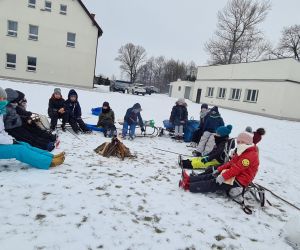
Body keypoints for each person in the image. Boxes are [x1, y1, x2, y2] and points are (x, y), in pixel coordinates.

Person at [0, 87, 65, 169]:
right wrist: (10, 141)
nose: (3, 100)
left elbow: (1, 131)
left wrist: (10, 139)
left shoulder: (1, 111)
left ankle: (50, 157)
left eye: (4, 98)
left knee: (24, 145)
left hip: (4, 138)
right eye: (1, 98)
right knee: (20, 150)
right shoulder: (4, 110)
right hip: (6, 137)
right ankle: (47, 162)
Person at [179, 131, 259, 194]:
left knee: (214, 182)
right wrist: (219, 170)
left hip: (240, 180)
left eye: (239, 142)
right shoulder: (243, 150)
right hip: (235, 175)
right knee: (212, 174)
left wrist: (223, 176)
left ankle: (189, 186)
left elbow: (237, 169)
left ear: (245, 142)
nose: (238, 144)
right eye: (237, 142)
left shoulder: (250, 155)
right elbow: (231, 163)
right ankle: (190, 179)